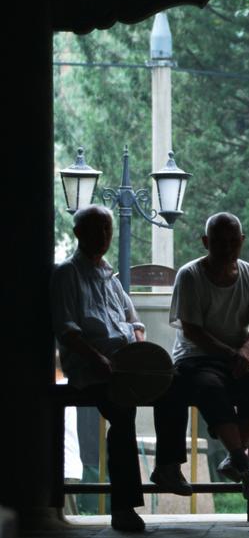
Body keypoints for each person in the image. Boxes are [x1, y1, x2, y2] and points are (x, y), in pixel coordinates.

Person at [50, 205, 192, 533]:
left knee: (177, 383)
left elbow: (134, 321)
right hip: (93, 367)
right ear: (78, 234)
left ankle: (168, 466)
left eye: (106, 230)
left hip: (128, 364)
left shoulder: (110, 277)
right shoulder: (67, 274)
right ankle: (123, 507)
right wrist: (99, 359)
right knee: (123, 413)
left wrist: (140, 349)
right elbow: (66, 329)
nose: (102, 237)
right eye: (95, 230)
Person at [170, 212, 249, 500]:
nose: (227, 247)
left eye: (233, 241)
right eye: (219, 241)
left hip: (238, 356)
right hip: (195, 357)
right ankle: (243, 460)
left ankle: (236, 458)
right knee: (210, 386)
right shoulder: (190, 275)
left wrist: (245, 351)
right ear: (206, 241)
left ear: (242, 241)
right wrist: (234, 353)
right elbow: (192, 330)